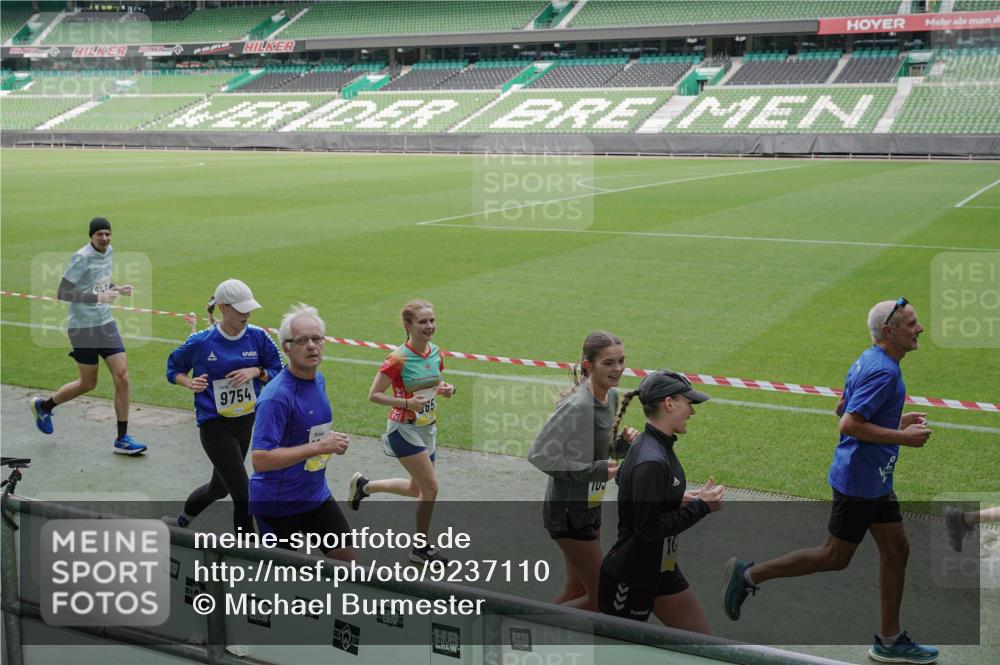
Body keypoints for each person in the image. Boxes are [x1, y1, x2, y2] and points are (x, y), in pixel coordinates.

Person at [722, 298, 938, 664]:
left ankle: (889, 640)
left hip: (875, 478)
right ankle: (749, 574)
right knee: (834, 556)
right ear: (889, 331)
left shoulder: (870, 359)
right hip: (860, 481)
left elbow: (842, 406)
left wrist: (895, 420)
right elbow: (848, 422)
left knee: (897, 549)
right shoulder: (883, 371)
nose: (919, 329)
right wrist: (903, 437)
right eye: (911, 323)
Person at [598, 370, 723, 632]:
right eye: (689, 403)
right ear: (669, 403)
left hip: (661, 570)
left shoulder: (652, 445)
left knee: (704, 644)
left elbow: (627, 481)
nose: (692, 412)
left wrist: (674, 499)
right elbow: (648, 528)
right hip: (630, 578)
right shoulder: (652, 457)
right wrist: (702, 507)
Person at [528, 331, 638, 611]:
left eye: (621, 361)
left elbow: (599, 451)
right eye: (608, 363)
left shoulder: (610, 396)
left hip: (589, 506)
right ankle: (523, 634)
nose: (618, 369)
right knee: (604, 598)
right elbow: (540, 455)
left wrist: (622, 445)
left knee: (577, 588)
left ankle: (534, 638)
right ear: (589, 366)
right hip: (567, 512)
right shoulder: (577, 406)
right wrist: (594, 471)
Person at [165, 279, 283, 533]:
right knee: (243, 493)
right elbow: (173, 368)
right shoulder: (201, 341)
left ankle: (182, 522)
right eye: (241, 309)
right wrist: (189, 382)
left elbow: (279, 371)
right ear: (223, 308)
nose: (247, 314)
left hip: (246, 422)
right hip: (214, 426)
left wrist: (256, 371)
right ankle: (248, 551)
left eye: (249, 308)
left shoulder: (259, 338)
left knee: (218, 488)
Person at [347, 300, 455, 565]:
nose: (429, 326)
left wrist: (445, 388)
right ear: (408, 325)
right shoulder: (397, 358)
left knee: (415, 488)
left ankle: (365, 486)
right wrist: (406, 403)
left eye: (432, 321)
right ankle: (420, 548)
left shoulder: (436, 353)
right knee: (430, 488)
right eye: (422, 322)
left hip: (427, 428)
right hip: (402, 429)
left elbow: (433, 382)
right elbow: (374, 395)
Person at [30, 217, 147, 455]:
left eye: (107, 234)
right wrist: (97, 299)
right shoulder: (81, 258)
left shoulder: (109, 251)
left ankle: (122, 439)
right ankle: (44, 406)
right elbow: (63, 292)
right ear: (91, 236)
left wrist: (117, 289)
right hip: (82, 328)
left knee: (122, 376)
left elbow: (98, 282)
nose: (104, 238)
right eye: (99, 235)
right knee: (87, 383)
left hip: (105, 324)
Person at [248, 303, 355, 562]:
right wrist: (320, 447)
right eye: (302, 340)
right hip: (277, 504)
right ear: (286, 346)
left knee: (347, 563)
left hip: (315, 494)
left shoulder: (318, 380)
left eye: (317, 339)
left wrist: (328, 441)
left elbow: (307, 433)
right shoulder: (275, 397)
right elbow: (260, 459)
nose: (311, 345)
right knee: (284, 582)